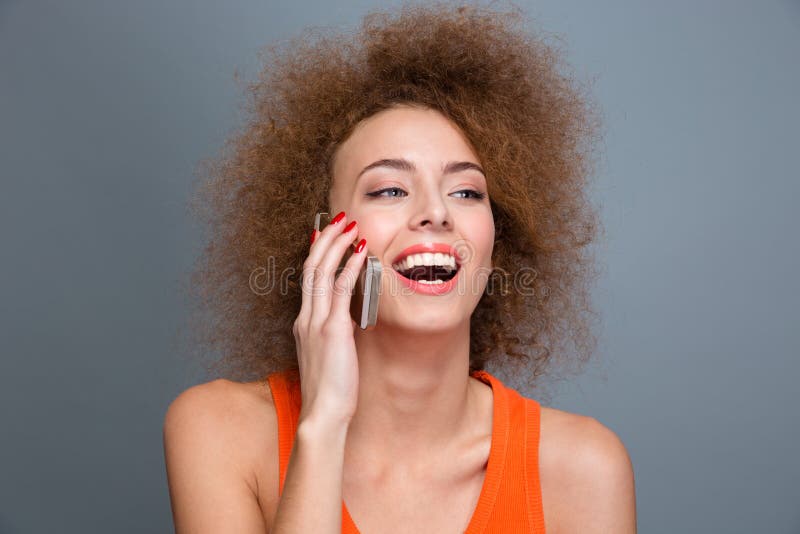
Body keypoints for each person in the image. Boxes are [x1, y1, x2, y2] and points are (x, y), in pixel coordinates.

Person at [163, 3, 636, 533]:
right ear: (322, 235)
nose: (436, 212)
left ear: (496, 239)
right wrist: (322, 424)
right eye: (389, 188)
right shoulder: (219, 431)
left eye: (466, 191)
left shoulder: (583, 468)